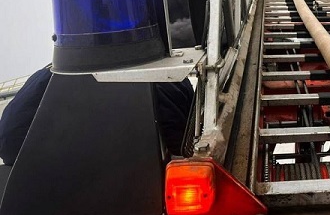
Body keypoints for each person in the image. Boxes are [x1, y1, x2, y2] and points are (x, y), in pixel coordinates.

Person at [0, 65, 193, 165]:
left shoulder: (48, 73)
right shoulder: (160, 75)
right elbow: (179, 143)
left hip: (19, 158)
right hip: (31, 154)